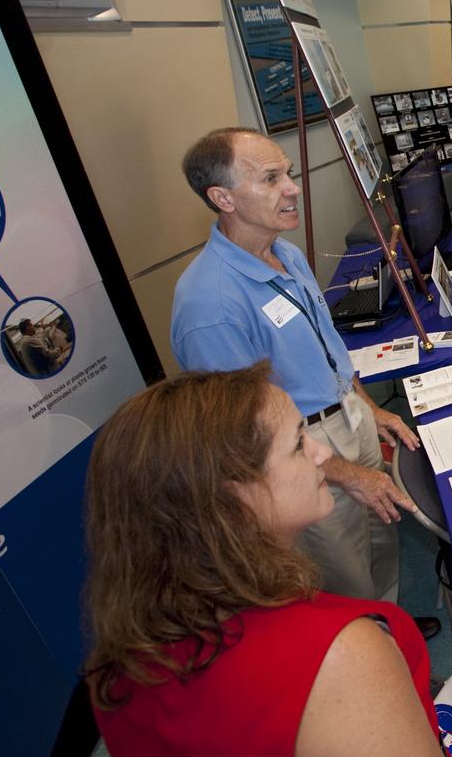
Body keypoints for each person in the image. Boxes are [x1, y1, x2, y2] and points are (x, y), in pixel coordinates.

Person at [85, 365, 442, 756]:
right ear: (234, 502)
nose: (321, 453)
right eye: (297, 444)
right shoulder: (345, 652)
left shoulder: (117, 668)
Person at [173, 128, 422, 606]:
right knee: (342, 575)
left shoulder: (284, 253)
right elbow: (249, 431)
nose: (292, 187)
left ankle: (390, 623)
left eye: (288, 171)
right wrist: (348, 474)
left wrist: (371, 409)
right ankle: (367, 647)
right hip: (298, 452)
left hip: (348, 417)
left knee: (380, 541)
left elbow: (330, 351)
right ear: (222, 197)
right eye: (271, 178)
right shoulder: (210, 304)